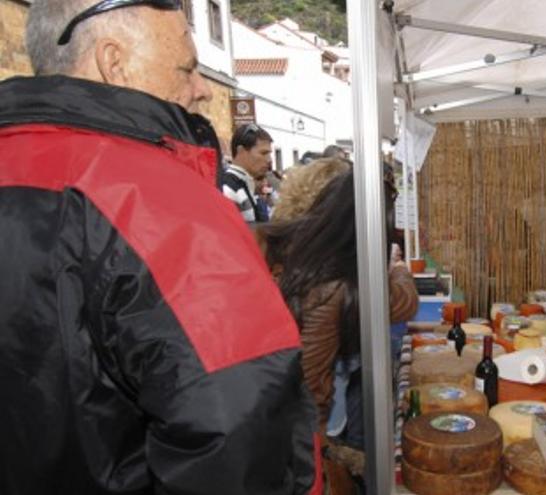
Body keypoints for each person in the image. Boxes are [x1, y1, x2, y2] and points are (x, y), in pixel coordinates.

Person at [0, 1, 321, 494]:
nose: (202, 88)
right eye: (187, 68)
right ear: (114, 61)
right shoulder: (155, 200)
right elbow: (241, 436)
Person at [262, 160, 417, 492]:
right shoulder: (330, 280)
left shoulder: (294, 247)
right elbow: (308, 385)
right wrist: (321, 455)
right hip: (295, 431)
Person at [222, 123, 274, 222]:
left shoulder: (243, 184)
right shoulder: (229, 189)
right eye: (263, 153)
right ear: (241, 151)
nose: (269, 160)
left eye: (269, 154)